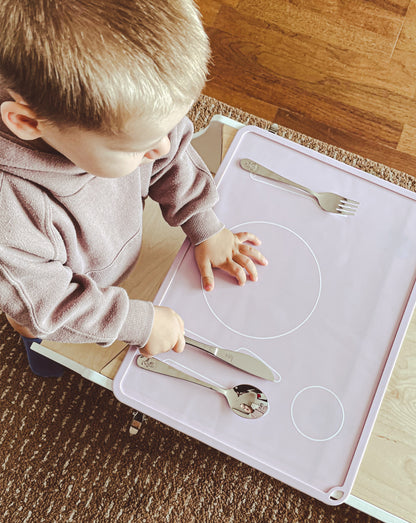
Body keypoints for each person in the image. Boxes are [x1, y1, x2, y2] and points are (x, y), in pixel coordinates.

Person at [0, 0, 267, 377]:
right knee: (50, 354)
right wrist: (136, 323)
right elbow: (50, 308)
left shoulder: (126, 126)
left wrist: (203, 222)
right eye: (136, 147)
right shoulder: (10, 213)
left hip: (106, 262)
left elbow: (170, 155)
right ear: (28, 122)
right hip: (51, 306)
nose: (162, 146)